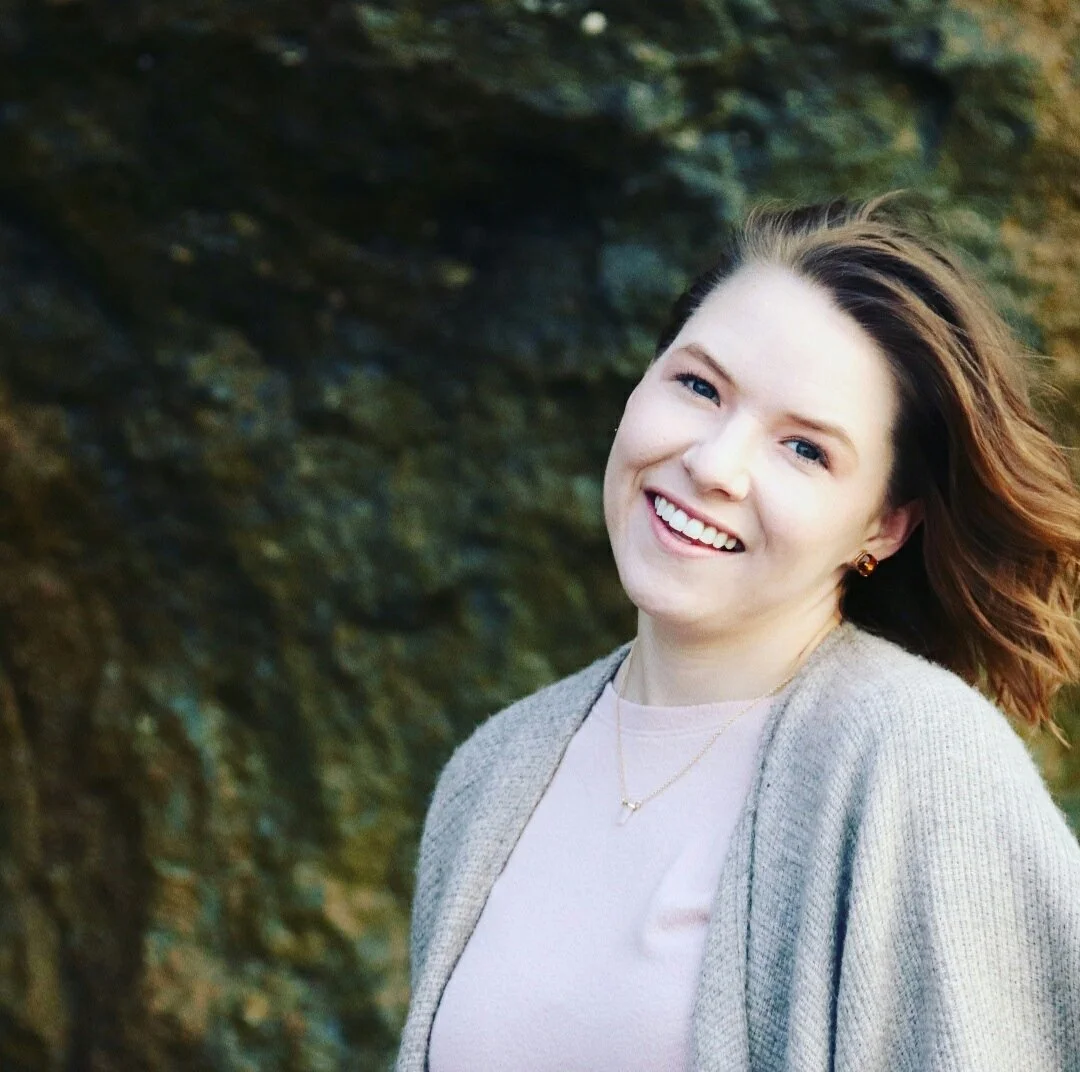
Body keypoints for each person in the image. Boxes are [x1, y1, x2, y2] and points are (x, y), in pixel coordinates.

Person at [394, 195, 1080, 1072]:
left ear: (884, 526)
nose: (715, 464)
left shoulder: (918, 761)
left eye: (806, 450)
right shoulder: (491, 774)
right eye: (698, 386)